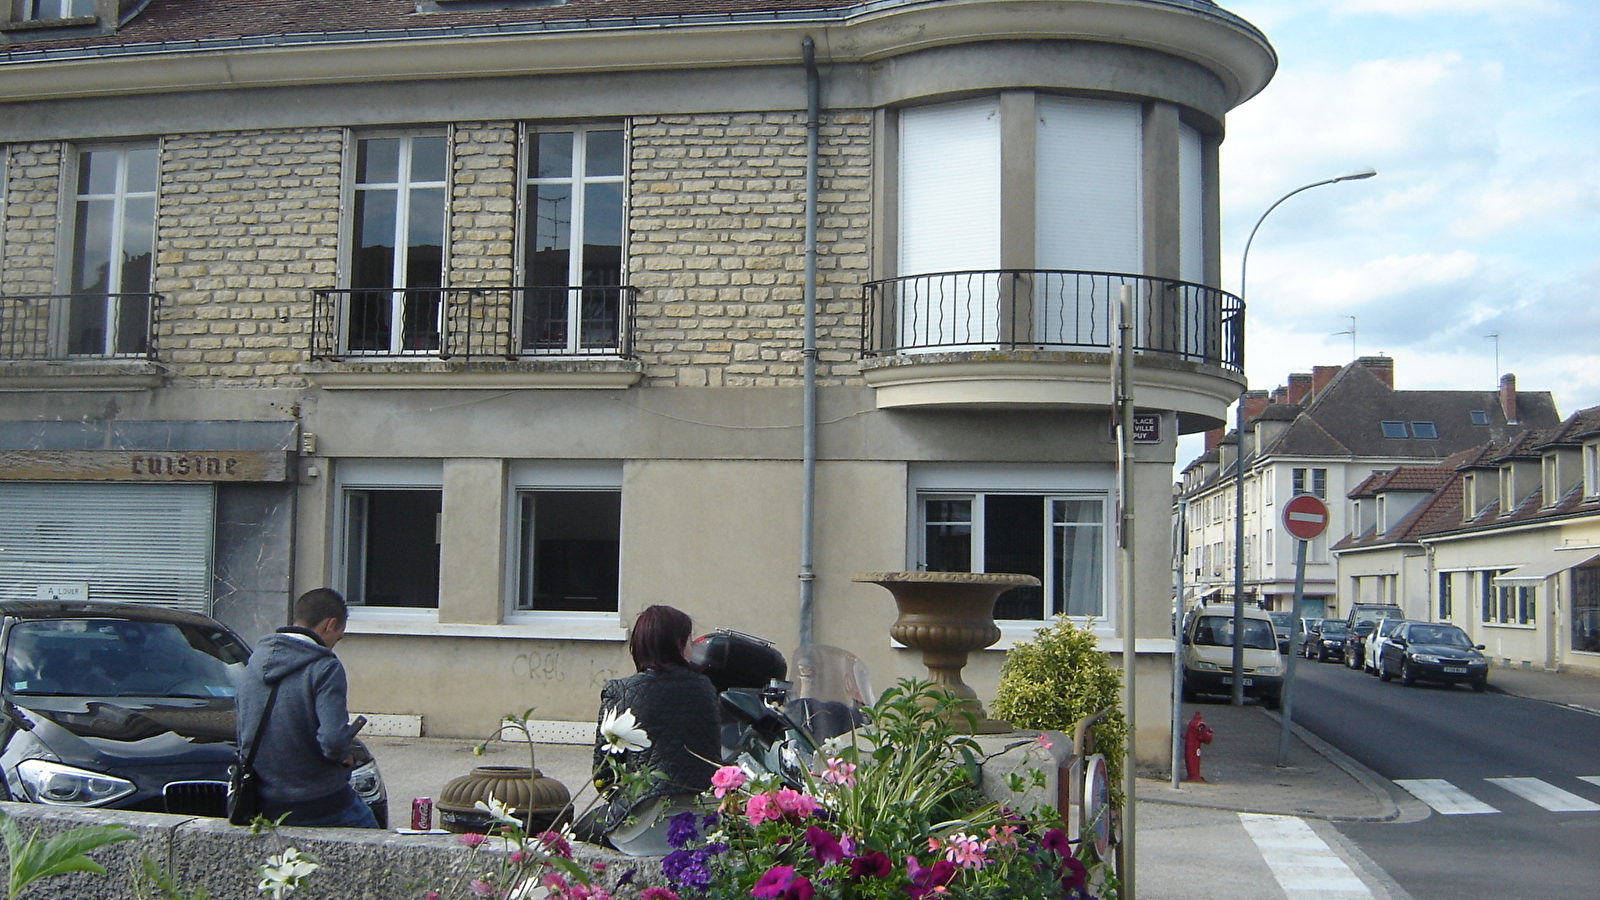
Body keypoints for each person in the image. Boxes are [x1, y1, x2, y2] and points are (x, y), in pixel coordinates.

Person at [575, 604, 720, 846]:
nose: (692, 648)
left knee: (577, 827)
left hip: (639, 829)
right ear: (677, 644)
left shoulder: (619, 691)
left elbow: (604, 775)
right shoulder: (704, 687)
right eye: (689, 641)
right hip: (700, 824)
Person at [235, 588, 375, 828]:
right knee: (375, 841)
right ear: (329, 625)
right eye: (338, 638)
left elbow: (243, 732)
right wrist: (344, 755)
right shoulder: (325, 667)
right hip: (316, 798)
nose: (333, 645)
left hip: (262, 800)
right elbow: (332, 740)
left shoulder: (252, 664)